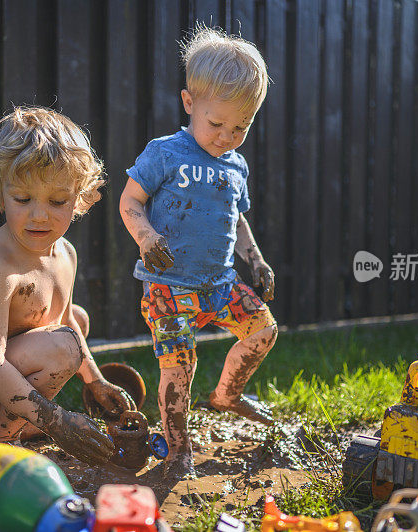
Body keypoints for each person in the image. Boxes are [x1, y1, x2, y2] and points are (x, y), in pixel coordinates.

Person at [0, 106, 134, 466]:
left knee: (76, 322)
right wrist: (58, 421)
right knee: (63, 347)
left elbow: (67, 326)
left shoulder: (65, 253)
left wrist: (96, 381)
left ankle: (17, 424)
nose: (39, 215)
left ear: (79, 197)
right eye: (23, 199)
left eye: (57, 201)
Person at [119, 26, 278, 478]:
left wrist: (257, 259)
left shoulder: (235, 165)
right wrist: (147, 238)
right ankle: (177, 449)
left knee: (263, 330)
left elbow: (237, 218)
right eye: (217, 124)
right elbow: (129, 202)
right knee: (178, 368)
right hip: (170, 286)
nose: (227, 136)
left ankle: (228, 393)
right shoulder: (166, 153)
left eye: (240, 127)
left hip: (220, 282)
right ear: (190, 103)